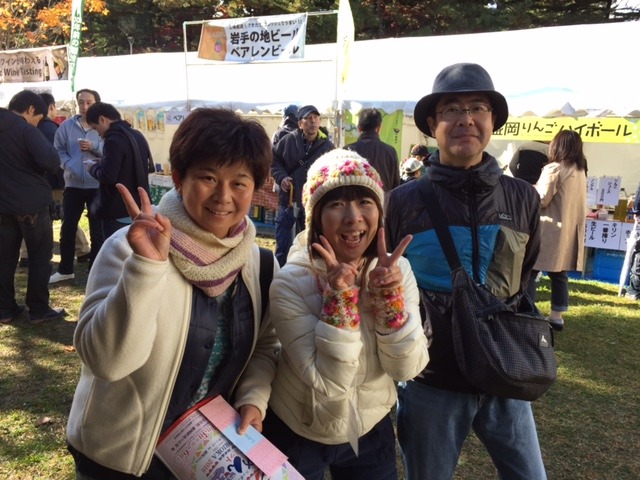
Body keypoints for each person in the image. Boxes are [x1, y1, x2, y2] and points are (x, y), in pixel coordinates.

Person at [66, 108, 280, 479]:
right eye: (208, 178)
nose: (223, 196)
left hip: (204, 449)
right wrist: (146, 268)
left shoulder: (259, 264)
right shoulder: (128, 248)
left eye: (239, 183)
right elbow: (107, 362)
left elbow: (265, 346)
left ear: (255, 188)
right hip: (122, 457)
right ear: (179, 179)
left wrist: (252, 399)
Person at [386, 63, 546, 480]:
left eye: (477, 107)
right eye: (452, 109)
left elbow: (526, 274)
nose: (466, 119)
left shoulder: (523, 198)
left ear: (492, 120)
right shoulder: (402, 202)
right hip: (431, 377)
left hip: (506, 371)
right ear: (432, 124)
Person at [263, 149, 429, 480]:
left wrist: (389, 302)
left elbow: (406, 368)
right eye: (337, 204)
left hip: (369, 426)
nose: (353, 218)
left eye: (365, 202)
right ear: (315, 218)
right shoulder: (290, 282)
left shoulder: (398, 272)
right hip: (298, 427)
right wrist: (339, 301)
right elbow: (329, 382)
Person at [0, 90, 66, 325]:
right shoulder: (25, 129)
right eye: (38, 118)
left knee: (5, 257)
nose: (37, 124)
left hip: (3, 204)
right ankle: (38, 309)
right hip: (31, 203)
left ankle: (5, 308)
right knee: (40, 255)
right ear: (30, 110)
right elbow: (51, 162)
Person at [18, 93, 91, 267]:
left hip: (33, 183)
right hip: (54, 182)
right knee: (67, 216)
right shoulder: (52, 129)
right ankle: (82, 250)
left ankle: (27, 254)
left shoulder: (25, 129)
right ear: (51, 107)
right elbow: (55, 158)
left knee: (33, 218)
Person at [526, 130, 587, 331]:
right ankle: (556, 317)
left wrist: (529, 188)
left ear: (557, 146)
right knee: (559, 274)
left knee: (530, 271)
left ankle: (528, 314)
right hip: (568, 231)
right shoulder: (579, 170)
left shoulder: (554, 168)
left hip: (549, 229)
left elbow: (541, 199)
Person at [50, 88, 104, 284]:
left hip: (96, 184)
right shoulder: (67, 126)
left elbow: (111, 150)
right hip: (73, 184)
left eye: (89, 102)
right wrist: (68, 165)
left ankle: (95, 271)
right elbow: (58, 149)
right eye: (81, 102)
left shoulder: (102, 125)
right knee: (68, 227)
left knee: (97, 229)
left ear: (96, 103)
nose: (84, 106)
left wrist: (94, 147)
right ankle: (65, 269)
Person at [271, 104, 335, 266]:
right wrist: (282, 178)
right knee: (284, 244)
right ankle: (279, 274)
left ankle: (308, 274)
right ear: (300, 124)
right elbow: (273, 161)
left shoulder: (327, 146)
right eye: (308, 118)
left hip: (314, 203)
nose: (313, 122)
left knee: (311, 245)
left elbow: (334, 170)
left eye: (316, 118)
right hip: (289, 200)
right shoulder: (288, 140)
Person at [86, 102, 153, 240]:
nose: (97, 133)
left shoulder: (113, 139)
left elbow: (108, 177)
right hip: (139, 205)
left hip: (117, 209)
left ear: (102, 119)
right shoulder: (137, 135)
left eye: (95, 128)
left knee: (116, 251)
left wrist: (92, 168)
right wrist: (103, 163)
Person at [345, 108, 400, 192]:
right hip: (383, 199)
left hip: (355, 199)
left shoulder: (348, 150)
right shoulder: (391, 151)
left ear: (359, 128)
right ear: (379, 128)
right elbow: (396, 185)